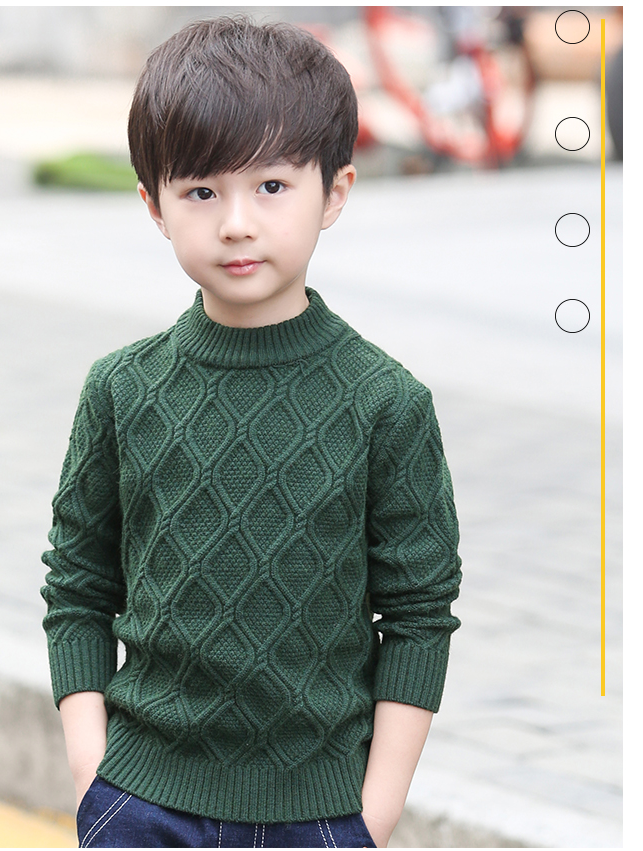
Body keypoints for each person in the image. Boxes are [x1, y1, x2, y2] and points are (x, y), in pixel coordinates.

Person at [41, 15, 462, 849]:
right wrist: (93, 773)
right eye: (201, 191)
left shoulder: (386, 403)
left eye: (271, 186)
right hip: (139, 802)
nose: (236, 222)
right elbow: (78, 586)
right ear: (154, 205)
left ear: (334, 192)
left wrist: (372, 814)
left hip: (320, 814)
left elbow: (419, 613)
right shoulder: (122, 388)